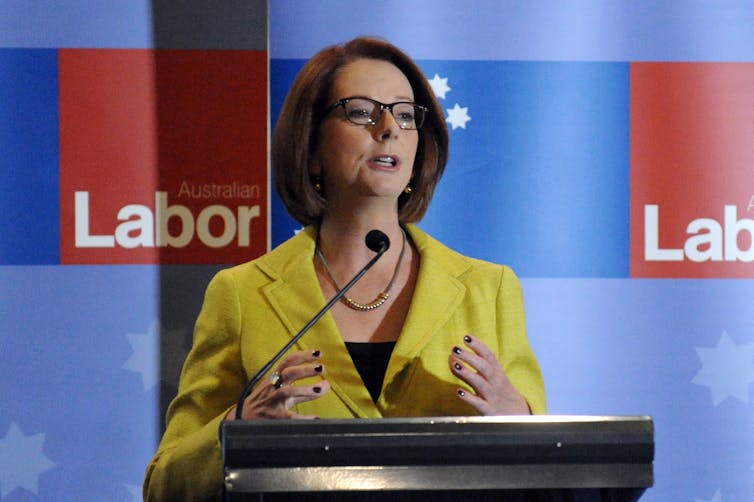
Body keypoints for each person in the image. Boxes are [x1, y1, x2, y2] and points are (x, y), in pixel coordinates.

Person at [143, 36, 545, 501]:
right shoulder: (242, 294)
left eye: (405, 114)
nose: (389, 127)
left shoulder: (489, 290)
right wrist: (239, 425)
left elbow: (551, 476)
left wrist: (521, 424)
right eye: (361, 112)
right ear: (311, 144)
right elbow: (164, 486)